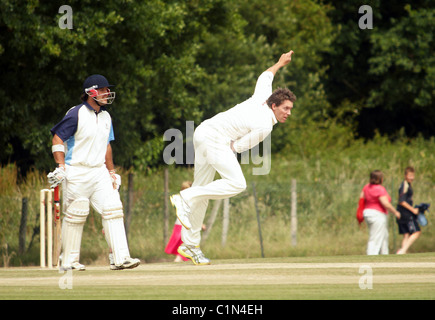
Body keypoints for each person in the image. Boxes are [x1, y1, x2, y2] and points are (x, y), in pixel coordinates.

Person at [171, 50, 296, 265]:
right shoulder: (266, 125)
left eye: (291, 109)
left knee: (203, 193)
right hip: (216, 140)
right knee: (237, 183)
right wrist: (226, 147)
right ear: (274, 106)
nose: (288, 113)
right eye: (285, 108)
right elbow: (236, 147)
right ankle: (186, 196)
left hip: (202, 132)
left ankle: (190, 245)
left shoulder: (262, 97)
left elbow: (265, 76)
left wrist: (279, 63)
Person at [47, 74, 140, 271]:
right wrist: (61, 166)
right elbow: (57, 138)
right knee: (76, 213)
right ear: (91, 93)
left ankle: (120, 258)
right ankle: (69, 261)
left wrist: (112, 171)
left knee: (113, 208)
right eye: (104, 90)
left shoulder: (106, 117)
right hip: (76, 171)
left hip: (99, 172)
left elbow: (106, 145)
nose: (107, 93)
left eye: (108, 90)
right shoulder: (76, 113)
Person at [358, 170, 401, 255]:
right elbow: (385, 203)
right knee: (375, 237)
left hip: (367, 213)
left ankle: (384, 254)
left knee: (384, 236)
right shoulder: (380, 189)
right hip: (377, 215)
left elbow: (361, 198)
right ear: (380, 179)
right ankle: (371, 256)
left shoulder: (366, 187)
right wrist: (395, 212)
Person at [396, 166, 421, 254]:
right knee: (416, 232)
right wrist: (413, 210)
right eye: (410, 175)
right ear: (405, 175)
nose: (412, 178)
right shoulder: (405, 185)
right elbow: (402, 201)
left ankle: (401, 254)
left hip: (401, 212)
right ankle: (402, 250)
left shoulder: (407, 185)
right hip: (406, 213)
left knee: (406, 234)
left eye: (412, 175)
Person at [165, 181, 192, 262]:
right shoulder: (187, 200)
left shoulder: (181, 199)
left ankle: (182, 257)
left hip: (180, 224)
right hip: (183, 224)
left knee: (184, 242)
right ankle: (179, 257)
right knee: (184, 242)